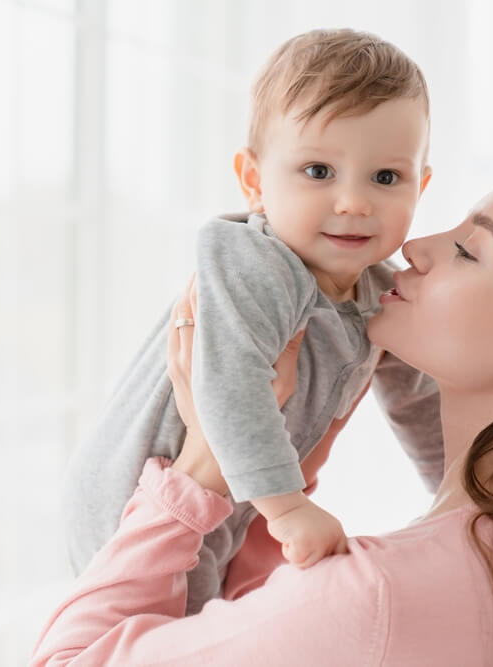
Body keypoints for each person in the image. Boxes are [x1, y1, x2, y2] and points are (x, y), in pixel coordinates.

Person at [32, 155, 493, 666]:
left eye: (468, 250)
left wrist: (202, 468)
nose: (419, 245)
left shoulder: (379, 596)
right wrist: (289, 458)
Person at [62, 27, 443, 615]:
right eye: (319, 171)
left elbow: (417, 400)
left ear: (420, 187)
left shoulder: (380, 290)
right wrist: (288, 508)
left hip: (232, 505)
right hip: (143, 495)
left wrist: (454, 494)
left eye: (385, 178)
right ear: (253, 181)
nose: (354, 202)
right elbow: (232, 386)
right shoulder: (257, 261)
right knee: (174, 631)